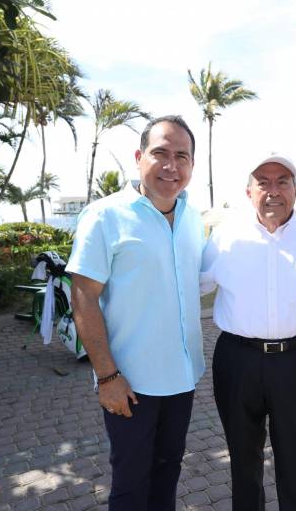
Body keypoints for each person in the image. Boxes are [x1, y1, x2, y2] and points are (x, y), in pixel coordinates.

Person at [201, 154, 296, 511]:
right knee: (242, 461)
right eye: (263, 182)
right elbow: (193, 285)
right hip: (237, 360)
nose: (273, 191)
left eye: (282, 181)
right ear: (248, 191)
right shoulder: (225, 238)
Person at [67, 115, 205, 511]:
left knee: (167, 474)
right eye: (160, 153)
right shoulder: (104, 215)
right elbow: (84, 298)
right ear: (138, 156)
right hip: (130, 383)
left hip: (182, 377)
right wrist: (107, 376)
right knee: (130, 483)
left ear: (192, 165)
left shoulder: (193, 219)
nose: (171, 165)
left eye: (182, 156)